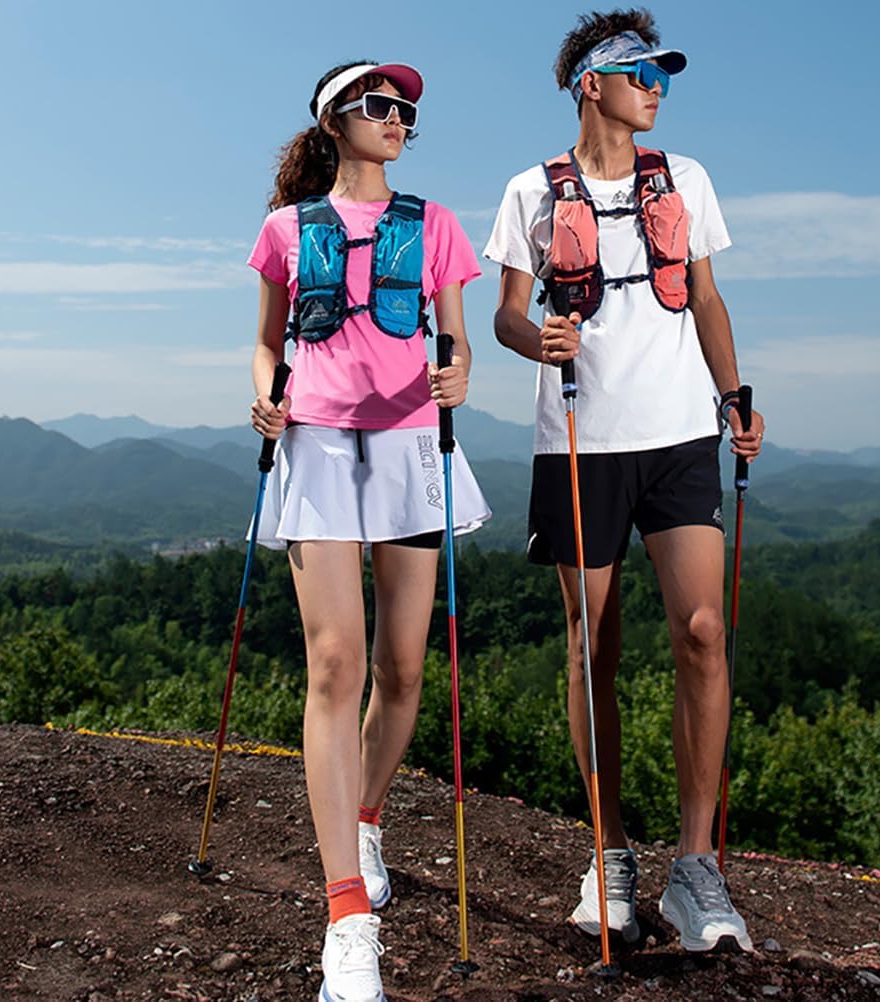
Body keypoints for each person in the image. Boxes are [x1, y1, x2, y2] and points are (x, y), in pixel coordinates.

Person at [484, 9, 764, 953]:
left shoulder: (685, 178)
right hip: (579, 439)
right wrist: (540, 337)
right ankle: (607, 854)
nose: (658, 86)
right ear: (589, 84)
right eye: (642, 70)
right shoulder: (531, 187)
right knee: (590, 643)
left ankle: (696, 869)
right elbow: (507, 318)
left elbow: (710, 297)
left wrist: (736, 397)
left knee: (703, 631)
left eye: (664, 74)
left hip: (683, 433)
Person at [247, 60, 490, 1001]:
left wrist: (461, 370)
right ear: (336, 121)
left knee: (402, 671)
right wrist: (260, 390)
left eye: (406, 110)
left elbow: (457, 337)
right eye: (380, 106)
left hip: (410, 454)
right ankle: (348, 915)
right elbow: (269, 339)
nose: (399, 119)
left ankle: (369, 814)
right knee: (335, 664)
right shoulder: (284, 231)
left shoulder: (433, 224)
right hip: (315, 449)